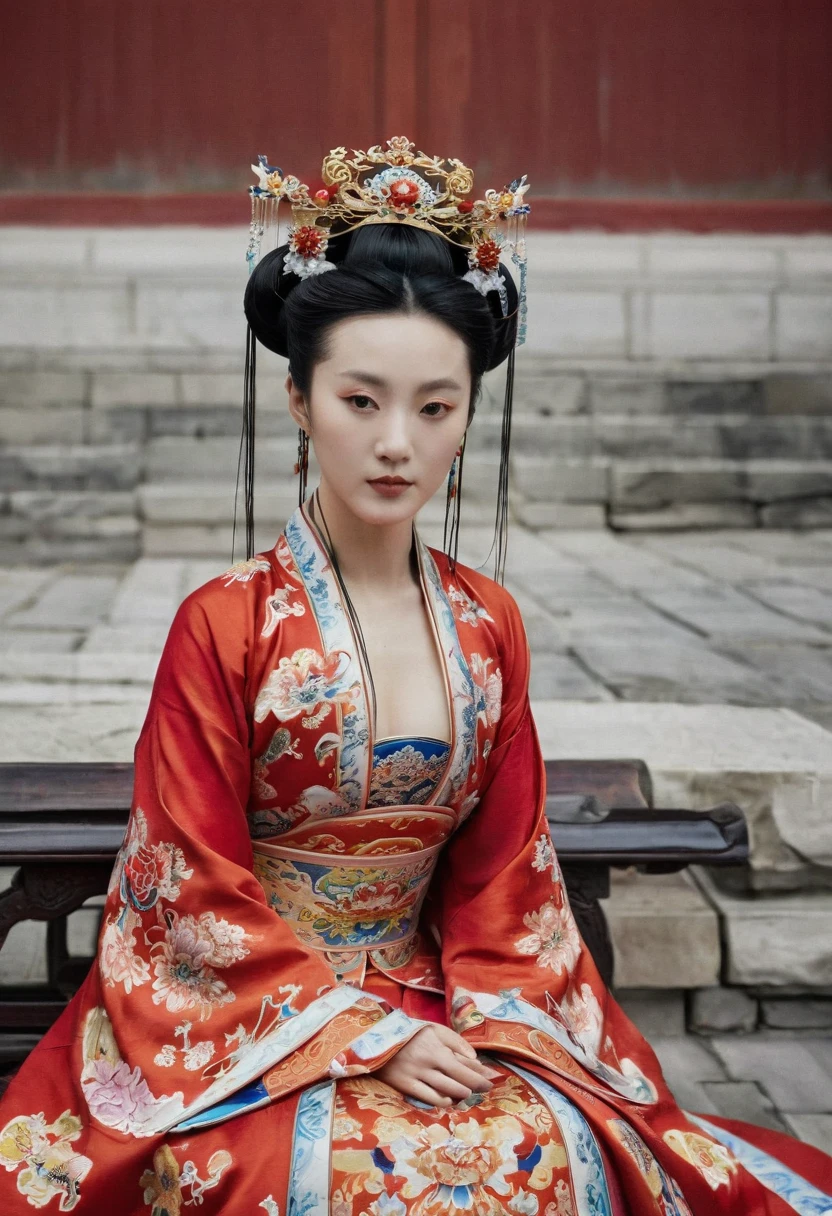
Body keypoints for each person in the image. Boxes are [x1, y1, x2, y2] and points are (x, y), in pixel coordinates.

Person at [0, 139, 829, 1216]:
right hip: (254, 1020)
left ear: (468, 416)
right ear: (299, 401)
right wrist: (361, 1036)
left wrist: (466, 1019)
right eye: (361, 401)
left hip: (447, 990)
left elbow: (507, 877)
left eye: (434, 408)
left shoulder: (488, 623)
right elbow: (187, 877)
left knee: (541, 1151)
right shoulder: (227, 622)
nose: (396, 444)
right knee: (333, 1176)